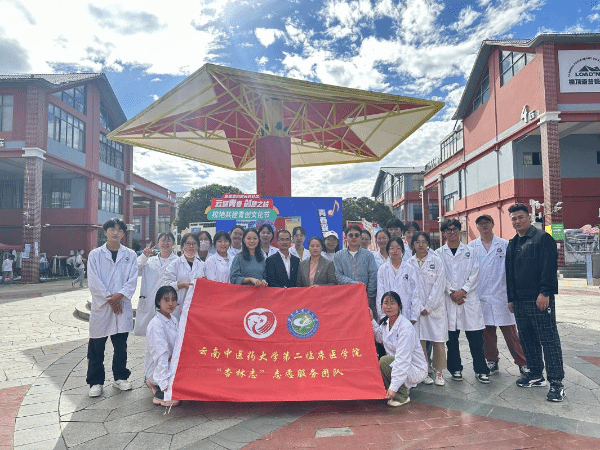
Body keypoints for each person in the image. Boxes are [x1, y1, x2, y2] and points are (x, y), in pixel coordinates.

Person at [506, 203, 564, 402]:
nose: (517, 221)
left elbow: (549, 268)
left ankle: (556, 383)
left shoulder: (542, 238)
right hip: (520, 301)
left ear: (529, 218)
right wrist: (511, 298)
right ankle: (535, 374)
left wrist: (545, 292)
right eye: (514, 219)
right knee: (527, 339)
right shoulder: (513, 243)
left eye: (520, 217)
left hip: (539, 299)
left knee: (548, 340)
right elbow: (509, 274)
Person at [86, 218, 138, 398]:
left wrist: (119, 296)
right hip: (102, 307)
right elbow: (93, 281)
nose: (116, 233)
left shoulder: (130, 255)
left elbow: (132, 279)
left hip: (121, 306)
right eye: (112, 229)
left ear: (123, 233)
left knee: (120, 345)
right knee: (96, 346)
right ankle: (95, 381)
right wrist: (111, 299)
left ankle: (120, 377)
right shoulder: (95, 255)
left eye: (119, 230)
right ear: (105, 231)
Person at [470, 214, 527, 375]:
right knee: (487, 334)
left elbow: (512, 271)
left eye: (487, 222)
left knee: (511, 334)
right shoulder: (472, 247)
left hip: (502, 296)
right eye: (481, 223)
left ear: (492, 224)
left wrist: (513, 296)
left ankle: (522, 362)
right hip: (482, 297)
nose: (484, 226)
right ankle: (492, 361)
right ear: (477, 227)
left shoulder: (504, 244)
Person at [437, 219, 489, 384]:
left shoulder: (470, 252)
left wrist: (463, 291)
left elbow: (475, 273)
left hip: (468, 299)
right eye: (448, 230)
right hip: (449, 299)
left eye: (455, 229)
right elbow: (439, 276)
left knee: (475, 338)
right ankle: (455, 369)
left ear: (460, 231)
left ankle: (481, 370)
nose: (452, 232)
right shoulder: (438, 254)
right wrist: (451, 292)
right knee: (451, 339)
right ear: (444, 233)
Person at [371, 291, 428, 407]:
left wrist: (393, 388)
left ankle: (401, 395)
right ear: (381, 306)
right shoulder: (386, 323)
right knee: (382, 361)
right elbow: (379, 337)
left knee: (384, 361)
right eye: (386, 303)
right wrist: (371, 319)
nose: (389, 306)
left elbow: (403, 360)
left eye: (392, 303)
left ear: (399, 306)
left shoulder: (405, 328)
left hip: (413, 367)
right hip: (398, 364)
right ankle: (397, 387)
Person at [407, 231, 447, 387]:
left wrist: (429, 306)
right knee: (420, 342)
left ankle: (439, 371)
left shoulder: (436, 261)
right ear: (413, 245)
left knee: (438, 341)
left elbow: (439, 285)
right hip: (417, 310)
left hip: (434, 308)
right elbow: (410, 288)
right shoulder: (409, 263)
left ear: (428, 244)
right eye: (417, 242)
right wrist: (419, 307)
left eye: (423, 242)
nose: (421, 245)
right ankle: (424, 371)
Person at [135, 233, 178, 336]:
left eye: (169, 241)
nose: (165, 243)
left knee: (169, 336)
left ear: (173, 243)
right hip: (149, 301)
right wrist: (144, 256)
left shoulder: (178, 261)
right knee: (150, 335)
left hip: (168, 302)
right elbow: (133, 270)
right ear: (158, 243)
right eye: (163, 240)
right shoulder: (149, 261)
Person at [144, 285, 180, 407]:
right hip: (159, 366)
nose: (171, 303)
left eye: (173, 300)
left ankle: (155, 384)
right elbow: (161, 355)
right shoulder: (156, 324)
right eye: (166, 300)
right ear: (159, 302)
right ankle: (159, 393)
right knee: (176, 394)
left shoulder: (173, 319)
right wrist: (165, 385)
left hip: (171, 362)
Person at [333, 224, 378, 317]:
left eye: (356, 235)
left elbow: (373, 276)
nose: (353, 238)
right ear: (346, 237)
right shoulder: (338, 256)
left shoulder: (368, 255)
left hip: (365, 298)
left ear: (360, 237)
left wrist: (368, 297)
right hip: (345, 298)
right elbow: (338, 276)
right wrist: (355, 284)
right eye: (351, 235)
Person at [162, 233, 205, 320]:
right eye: (188, 243)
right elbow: (165, 284)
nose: (191, 246)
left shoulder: (203, 265)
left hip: (197, 306)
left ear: (198, 246)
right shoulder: (175, 264)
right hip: (177, 307)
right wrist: (181, 285)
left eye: (194, 244)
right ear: (183, 246)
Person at [376, 237, 418, 324]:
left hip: (406, 311)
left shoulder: (410, 269)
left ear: (402, 250)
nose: (395, 251)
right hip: (388, 312)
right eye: (392, 248)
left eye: (398, 248)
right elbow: (380, 293)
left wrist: (414, 315)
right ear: (388, 250)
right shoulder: (383, 269)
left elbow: (415, 293)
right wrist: (382, 314)